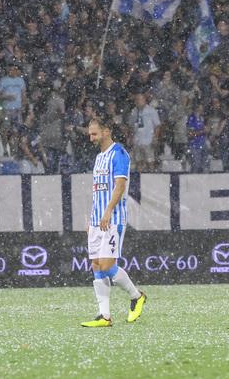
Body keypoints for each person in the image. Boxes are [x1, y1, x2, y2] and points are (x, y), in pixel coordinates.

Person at [81, 116, 146, 327]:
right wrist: (92, 218)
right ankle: (105, 316)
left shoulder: (118, 154)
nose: (91, 138)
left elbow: (119, 186)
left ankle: (137, 296)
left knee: (108, 266)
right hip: (97, 220)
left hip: (113, 218)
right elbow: (98, 191)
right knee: (97, 265)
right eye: (90, 134)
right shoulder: (99, 156)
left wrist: (108, 211)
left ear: (106, 131)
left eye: (94, 133)